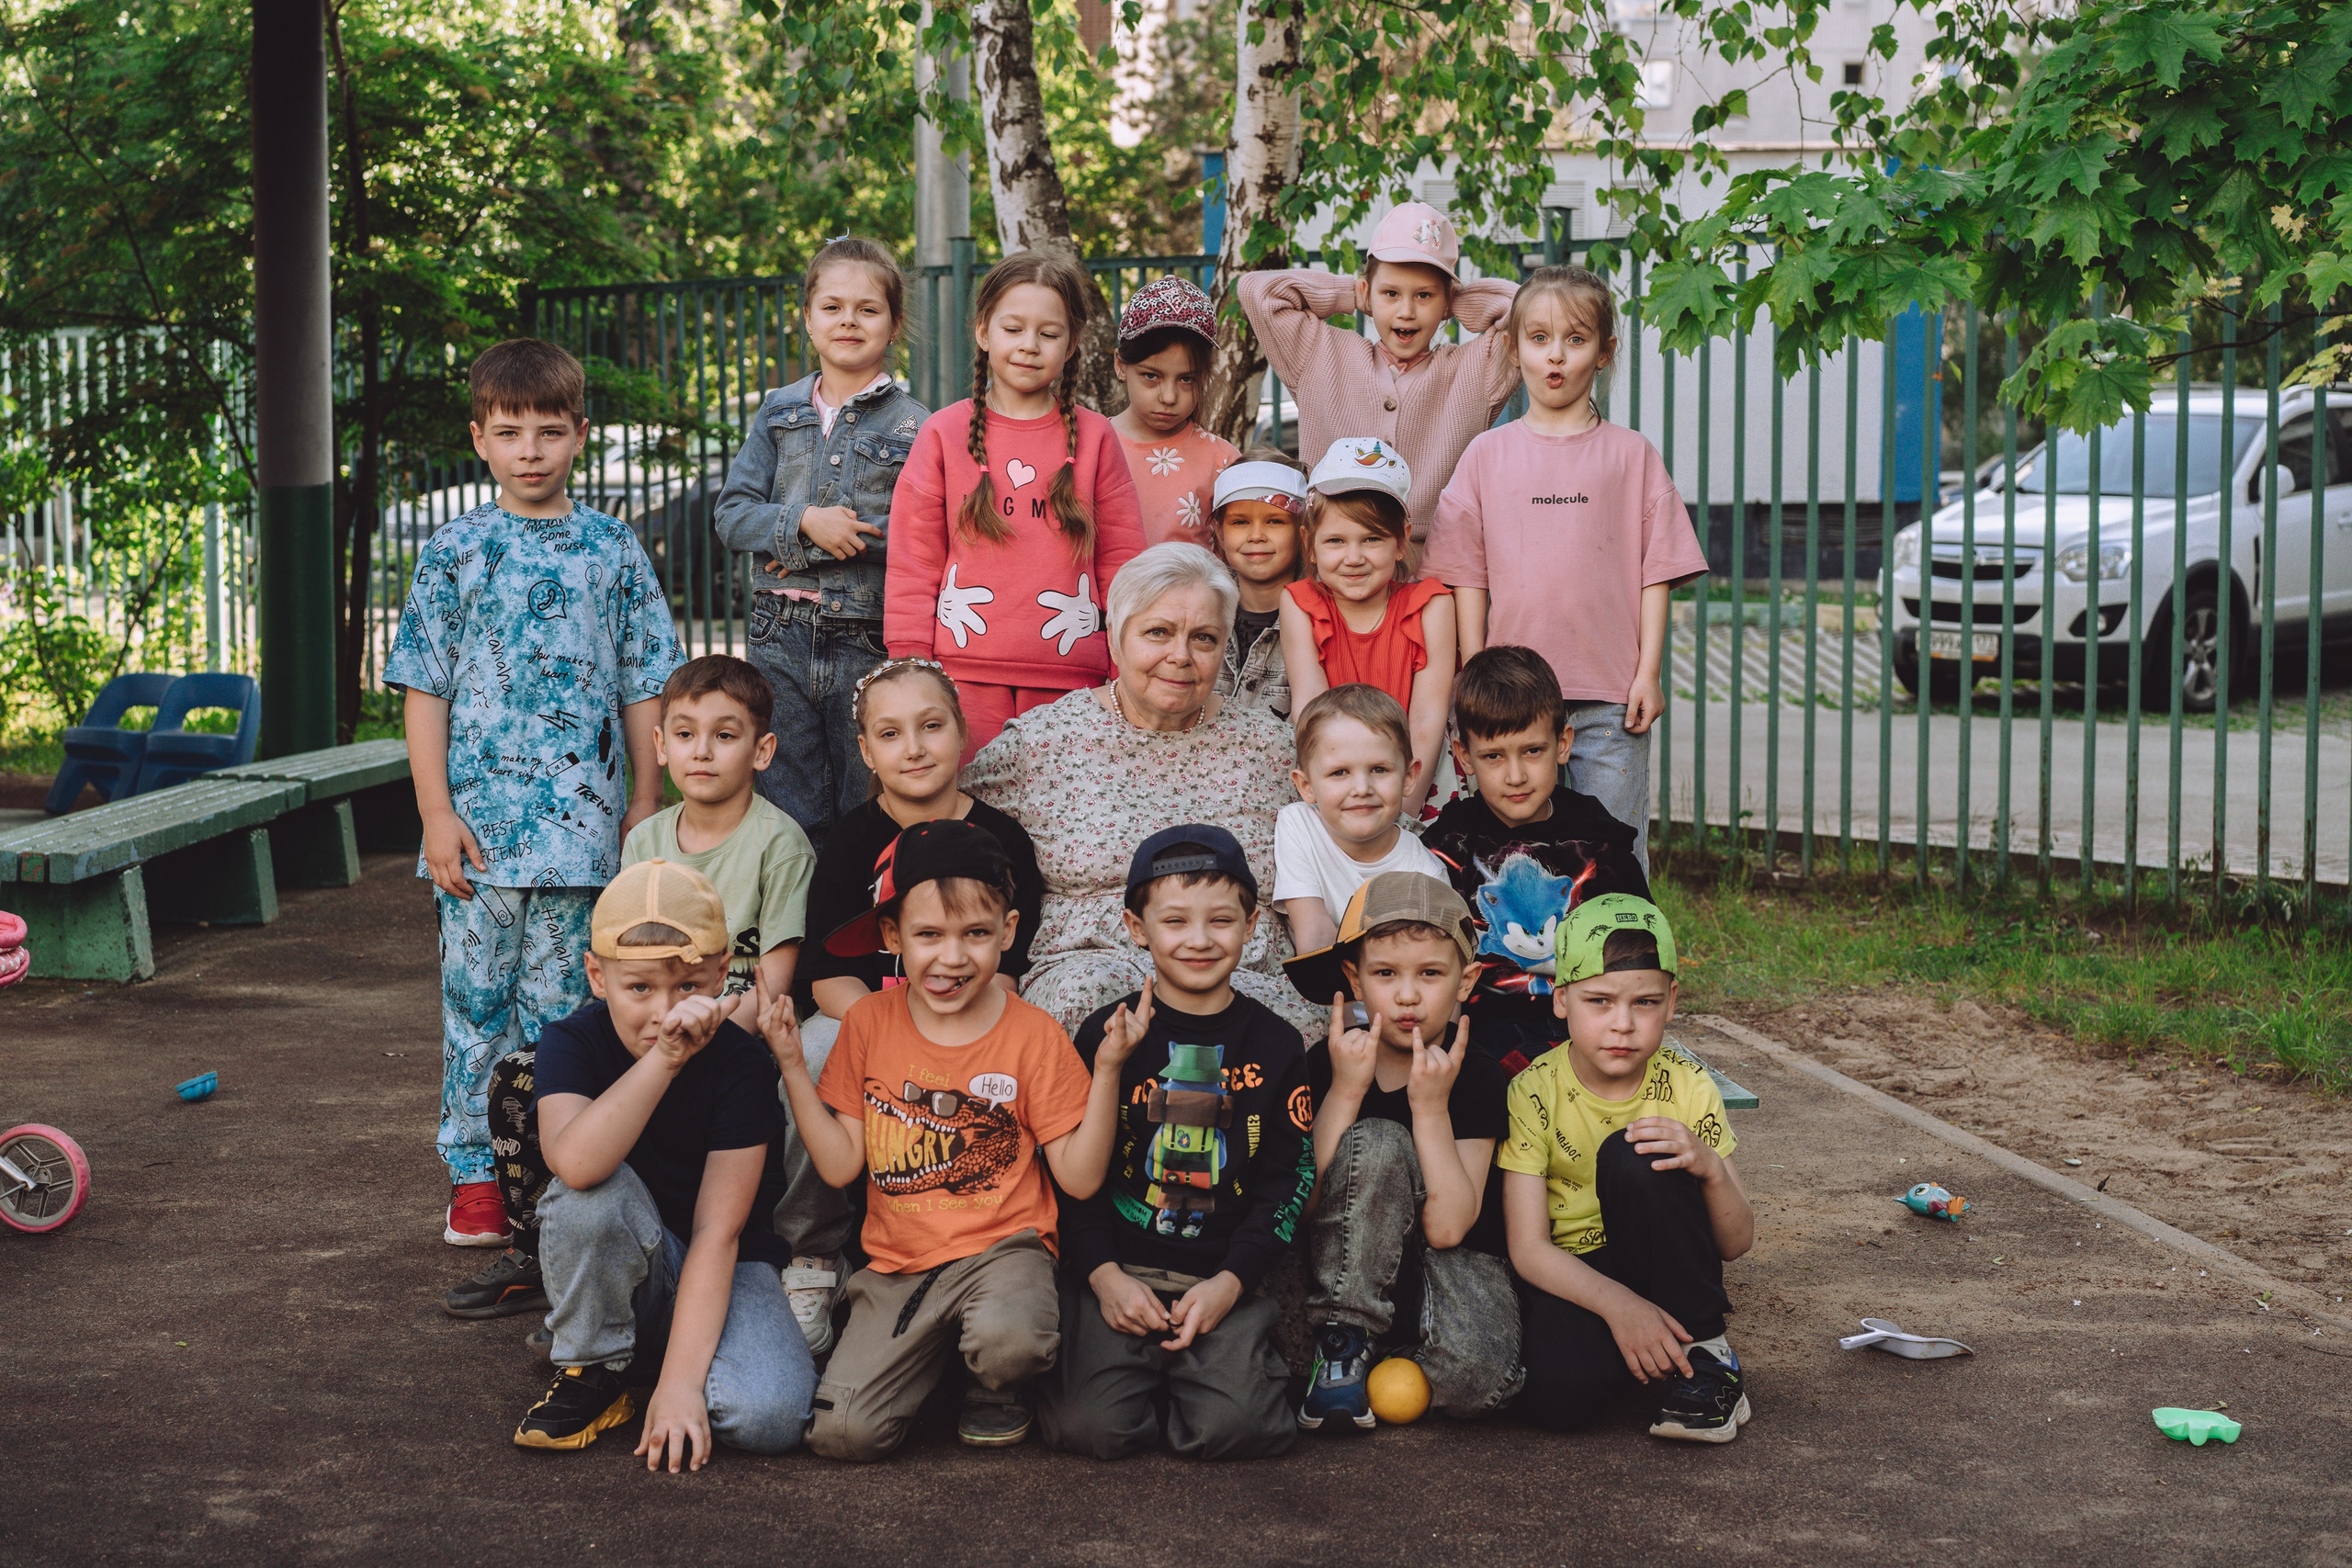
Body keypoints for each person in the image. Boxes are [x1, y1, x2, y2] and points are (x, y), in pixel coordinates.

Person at [385, 337, 681, 1251]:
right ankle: (474, 1177)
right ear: (479, 438)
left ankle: (551, 1173)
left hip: (583, 841)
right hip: (477, 841)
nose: (530, 450)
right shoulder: (456, 552)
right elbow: (423, 688)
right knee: (474, 1008)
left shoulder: (611, 548)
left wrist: (643, 802)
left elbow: (644, 683)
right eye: (509, 432)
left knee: (565, 1021)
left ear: (580, 436)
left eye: (549, 431)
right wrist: (436, 810)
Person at [444, 653, 815, 1325]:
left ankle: (785, 1251)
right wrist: (648, 1044)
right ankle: (546, 1249)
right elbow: (622, 961)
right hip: (642, 1033)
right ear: (660, 745)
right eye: (684, 733)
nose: (701, 751)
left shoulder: (779, 844)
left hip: (729, 1040)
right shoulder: (644, 840)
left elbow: (772, 986)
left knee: (784, 1089)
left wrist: (698, 1040)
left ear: (762, 751)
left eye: (725, 735)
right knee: (520, 1080)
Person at [760, 819, 1128, 1460]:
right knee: (844, 1435)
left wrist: (1108, 1072)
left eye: (976, 934)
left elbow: (1079, 1177)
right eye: (928, 934)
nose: (952, 957)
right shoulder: (869, 1022)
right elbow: (842, 1163)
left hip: (1004, 1252)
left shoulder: (1033, 1032)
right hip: (901, 1266)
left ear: (1008, 932)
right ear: (892, 934)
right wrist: (794, 1063)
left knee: (1011, 1337)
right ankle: (939, 1362)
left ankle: (996, 1381)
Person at [783, 658, 1048, 1351]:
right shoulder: (850, 841)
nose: (915, 747)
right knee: (814, 1048)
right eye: (891, 734)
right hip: (871, 1016)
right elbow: (823, 976)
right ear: (866, 751)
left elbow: (1009, 975)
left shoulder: (1004, 840)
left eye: (931, 726)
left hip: (973, 1022)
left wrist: (937, 1034)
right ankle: (813, 1255)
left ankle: (986, 1246)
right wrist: (890, 1029)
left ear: (963, 733)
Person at [512, 860, 813, 1465]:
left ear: (725, 972)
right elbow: (574, 1160)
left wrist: (679, 1386)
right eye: (640, 987)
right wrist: (664, 1061)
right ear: (597, 975)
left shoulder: (741, 1063)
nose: (667, 1011)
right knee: (590, 1192)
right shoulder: (571, 1041)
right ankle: (595, 1361)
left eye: (689, 986)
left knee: (770, 1416)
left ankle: (659, 1359)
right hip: (618, 1242)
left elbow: (718, 1232)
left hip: (720, 1262)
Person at [1036, 826, 1316, 1461]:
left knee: (1239, 1429)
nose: (1199, 939)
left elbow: (1285, 1180)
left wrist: (1230, 1282)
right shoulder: (1104, 1035)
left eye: (1221, 919)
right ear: (1137, 927)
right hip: (1116, 1270)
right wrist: (1102, 1275)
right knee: (1091, 1430)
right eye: (1175, 920)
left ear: (1252, 926)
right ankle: (1142, 1380)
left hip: (1219, 1275)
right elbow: (1072, 1179)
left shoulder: (1274, 1044)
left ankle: (1208, 1379)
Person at [965, 543, 1317, 1040]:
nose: (1181, 656)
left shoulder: (1271, 746)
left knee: (1292, 1025)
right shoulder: (1042, 742)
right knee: (1093, 1005)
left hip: (1243, 972)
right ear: (1115, 638)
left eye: (1204, 638)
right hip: (1091, 967)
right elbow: (944, 823)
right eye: (1158, 632)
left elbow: (1360, 832)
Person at [1422, 265, 1709, 874]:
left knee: (1615, 858)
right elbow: (1466, 575)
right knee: (1513, 863)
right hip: (1512, 711)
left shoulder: (1631, 456)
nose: (1556, 356)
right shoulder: (1485, 455)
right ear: (1512, 347)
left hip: (1608, 703)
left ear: (1604, 352)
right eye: (1539, 337)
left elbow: (1654, 572)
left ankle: (1618, 966)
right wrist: (1477, 674)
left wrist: (1648, 672)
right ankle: (1521, 969)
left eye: (1576, 340)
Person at [1503, 893, 1753, 1443]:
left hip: (1663, 1261)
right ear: (1561, 999)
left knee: (1633, 1150)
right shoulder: (1533, 1090)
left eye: (1645, 1003)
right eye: (1599, 1001)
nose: (1623, 1025)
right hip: (1579, 1272)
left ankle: (1708, 1357)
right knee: (1560, 1398)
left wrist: (1709, 1167)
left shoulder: (1688, 1087)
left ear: (1670, 1002)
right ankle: (1652, 1350)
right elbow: (1527, 1249)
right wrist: (1620, 1307)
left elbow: (1736, 1242)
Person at [884, 250, 1148, 759]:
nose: (1030, 346)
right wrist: (912, 671)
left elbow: (1124, 568)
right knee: (972, 827)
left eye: (1048, 334)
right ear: (983, 332)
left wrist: (1124, 672)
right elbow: (914, 564)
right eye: (1013, 329)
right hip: (960, 679)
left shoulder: (1096, 438)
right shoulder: (943, 433)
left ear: (1071, 344)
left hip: (1075, 682)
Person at [714, 236, 929, 856]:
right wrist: (805, 523)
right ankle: (800, 947)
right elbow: (732, 515)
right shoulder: (779, 414)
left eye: (867, 309)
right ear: (808, 318)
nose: (849, 321)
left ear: (894, 324)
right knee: (790, 806)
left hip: (867, 635)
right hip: (777, 633)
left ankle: (862, 944)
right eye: (832, 307)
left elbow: (921, 533)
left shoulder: (917, 424)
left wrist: (838, 537)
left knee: (867, 803)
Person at [1284, 872, 1521, 1431]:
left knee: (1482, 1381)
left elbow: (1448, 1229)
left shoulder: (1478, 1078)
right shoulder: (1326, 1063)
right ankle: (1343, 1344)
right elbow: (1302, 1208)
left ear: (1466, 982)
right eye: (1386, 973)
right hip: (1342, 1273)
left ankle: (1385, 1360)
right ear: (1355, 978)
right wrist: (1344, 1091)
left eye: (1431, 974)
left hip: (1443, 1271)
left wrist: (1432, 1109)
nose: (1408, 994)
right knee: (1381, 1142)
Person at [1421, 646, 1651, 1077]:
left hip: (1586, 1036)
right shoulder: (1447, 848)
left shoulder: (1601, 847)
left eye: (1532, 751)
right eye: (1493, 756)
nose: (1515, 776)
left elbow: (1638, 962)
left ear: (1562, 744)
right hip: (1478, 1039)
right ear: (1465, 756)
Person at [1237, 201, 1521, 547]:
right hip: (1335, 564)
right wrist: (1351, 294)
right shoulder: (1320, 355)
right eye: (1390, 293)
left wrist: (1457, 302)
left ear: (1446, 302)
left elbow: (1525, 313)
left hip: (1431, 568)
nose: (1407, 311)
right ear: (1367, 294)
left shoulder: (1476, 371)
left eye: (1424, 295)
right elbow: (1258, 291)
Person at [1280, 437, 1454, 818]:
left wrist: (1401, 813)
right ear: (1309, 545)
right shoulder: (1300, 604)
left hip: (1417, 782)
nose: (1354, 558)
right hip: (1333, 781)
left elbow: (1427, 718)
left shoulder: (1431, 605)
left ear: (1401, 541)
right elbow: (1310, 707)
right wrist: (1337, 803)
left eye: (1372, 539)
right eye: (1336, 541)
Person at [1273, 684, 1448, 956]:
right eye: (1340, 772)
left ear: (1408, 777)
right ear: (1306, 785)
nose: (1362, 788)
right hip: (1321, 982)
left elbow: (1427, 966)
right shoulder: (1298, 826)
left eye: (1379, 769)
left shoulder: (1424, 874)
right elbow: (1315, 932)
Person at [1109, 275, 1238, 547]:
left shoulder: (1222, 462)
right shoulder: (1090, 446)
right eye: (1151, 376)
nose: (1169, 397)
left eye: (1186, 379)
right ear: (1121, 366)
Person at [1207, 449, 1309, 719]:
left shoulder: (1321, 621)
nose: (1256, 536)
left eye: (1275, 521)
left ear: (1302, 531)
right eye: (1240, 522)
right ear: (1219, 532)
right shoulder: (1201, 612)